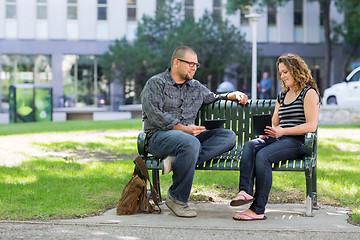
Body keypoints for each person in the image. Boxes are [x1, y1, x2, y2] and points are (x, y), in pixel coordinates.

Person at [140, 46, 248, 218]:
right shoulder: (156, 83)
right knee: (190, 143)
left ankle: (177, 160)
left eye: (196, 65)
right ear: (176, 62)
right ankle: (177, 198)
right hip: (159, 138)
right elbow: (154, 114)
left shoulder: (196, 87)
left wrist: (232, 95)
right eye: (190, 64)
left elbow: (214, 97)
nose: (194, 68)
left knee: (228, 136)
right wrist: (183, 129)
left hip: (189, 139)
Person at [230, 53, 320, 221]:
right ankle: (245, 191)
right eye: (280, 73)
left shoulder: (309, 93)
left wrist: (283, 131)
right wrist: (269, 131)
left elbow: (311, 126)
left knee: (263, 156)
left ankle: (257, 209)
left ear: (296, 70)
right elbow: (275, 122)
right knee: (250, 145)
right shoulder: (282, 95)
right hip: (279, 138)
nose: (282, 76)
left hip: (297, 142)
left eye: (285, 72)